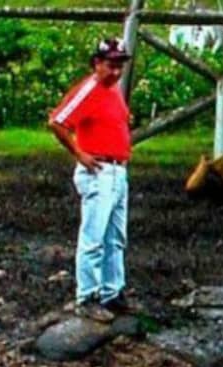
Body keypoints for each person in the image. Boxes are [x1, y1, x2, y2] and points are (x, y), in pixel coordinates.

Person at [49, 37, 133, 323]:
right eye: (111, 65)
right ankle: (87, 295)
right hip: (99, 168)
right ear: (97, 64)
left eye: (120, 65)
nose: (116, 72)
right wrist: (79, 153)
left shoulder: (113, 91)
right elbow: (57, 122)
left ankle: (112, 291)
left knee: (115, 237)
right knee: (94, 237)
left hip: (118, 169)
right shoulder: (90, 89)